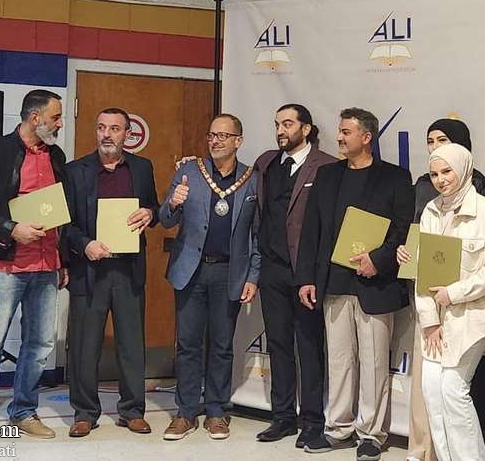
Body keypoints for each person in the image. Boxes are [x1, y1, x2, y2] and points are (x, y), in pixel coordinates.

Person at [296, 108, 414, 461]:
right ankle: (338, 428)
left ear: (366, 137)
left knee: (374, 362)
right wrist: (306, 277)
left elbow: (402, 229)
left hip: (375, 284)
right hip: (333, 283)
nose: (339, 137)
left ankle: (371, 434)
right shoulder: (327, 175)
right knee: (339, 360)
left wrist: (377, 260)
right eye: (340, 131)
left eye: (346, 132)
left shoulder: (395, 177)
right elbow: (312, 229)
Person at [0, 89, 68, 448]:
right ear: (35, 118)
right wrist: (10, 229)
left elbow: (61, 214)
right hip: (3, 266)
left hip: (46, 265)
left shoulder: (57, 156)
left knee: (39, 345)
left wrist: (62, 260)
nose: (60, 124)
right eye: (55, 117)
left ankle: (24, 411)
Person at [400, 143, 485, 461]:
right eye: (434, 174)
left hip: (473, 317)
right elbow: (423, 272)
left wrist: (455, 292)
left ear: (463, 169)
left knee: (453, 390)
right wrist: (429, 320)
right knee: (432, 392)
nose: (440, 179)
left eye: (446, 171)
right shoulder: (431, 211)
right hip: (436, 320)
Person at [159, 114, 261, 441]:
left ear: (238, 141)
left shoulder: (252, 179)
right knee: (188, 344)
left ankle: (216, 410)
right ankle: (186, 412)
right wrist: (173, 204)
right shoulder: (189, 172)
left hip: (229, 272)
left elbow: (257, 235)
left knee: (221, 344)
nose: (215, 141)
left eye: (222, 136)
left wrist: (253, 276)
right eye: (212, 135)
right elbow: (165, 219)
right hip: (191, 270)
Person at [62, 108, 159, 437]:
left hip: (129, 268)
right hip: (89, 269)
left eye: (115, 128)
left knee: (131, 344)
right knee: (84, 346)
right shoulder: (75, 171)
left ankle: (132, 411)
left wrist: (150, 213)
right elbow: (64, 224)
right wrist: (84, 244)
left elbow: (153, 207)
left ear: (127, 134)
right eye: (101, 127)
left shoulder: (142, 168)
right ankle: (84, 412)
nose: (107, 134)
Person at [252, 104, 336, 447]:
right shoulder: (267, 163)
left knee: (310, 346)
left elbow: (329, 224)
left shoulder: (327, 166)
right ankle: (283, 417)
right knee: (278, 344)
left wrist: (312, 273)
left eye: (287, 124)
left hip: (306, 271)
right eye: (277, 124)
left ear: (306, 128)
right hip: (271, 269)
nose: (280, 130)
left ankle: (313, 420)